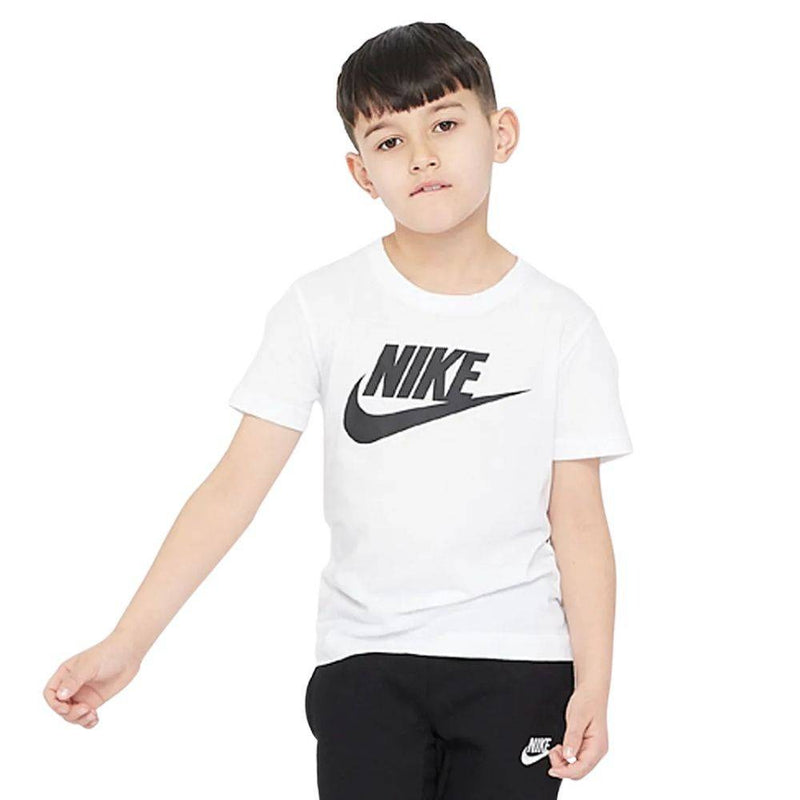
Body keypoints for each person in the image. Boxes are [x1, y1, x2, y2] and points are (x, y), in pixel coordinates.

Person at [43, 21, 633, 800]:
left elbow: (579, 517)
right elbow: (232, 489)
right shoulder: (321, 307)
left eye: (444, 125)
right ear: (361, 172)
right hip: (364, 665)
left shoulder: (563, 324)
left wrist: (595, 681)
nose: (421, 156)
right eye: (389, 141)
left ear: (502, 133)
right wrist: (129, 641)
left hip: (518, 660)